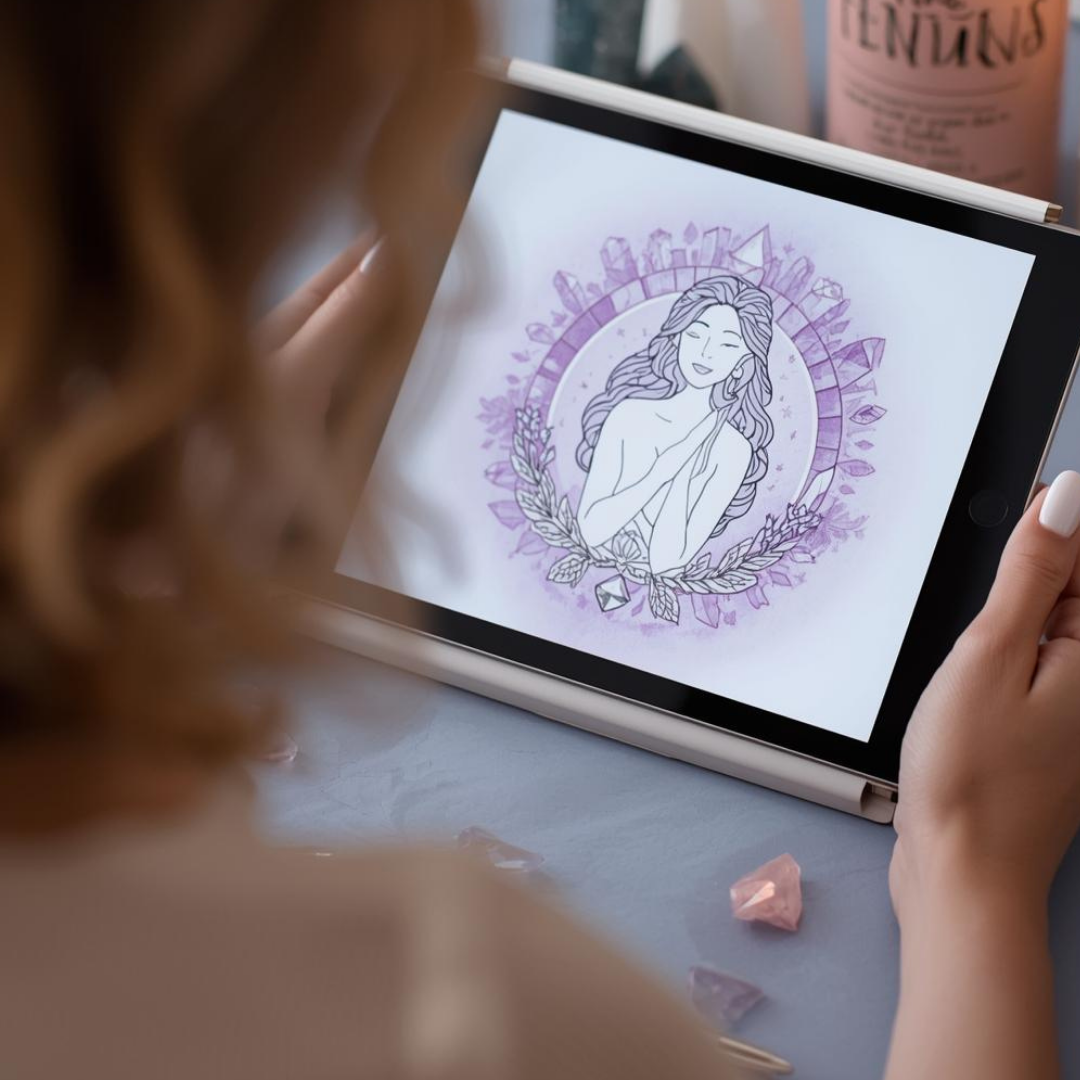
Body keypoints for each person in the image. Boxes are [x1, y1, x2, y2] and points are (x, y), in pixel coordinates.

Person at [1, 4, 1079, 1079]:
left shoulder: (738, 455)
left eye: (727, 338)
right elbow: (615, 515)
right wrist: (970, 873)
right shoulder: (458, 996)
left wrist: (133, 571)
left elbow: (683, 528)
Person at [576, 276, 774, 574]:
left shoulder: (733, 449)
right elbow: (591, 530)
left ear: (742, 363)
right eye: (696, 335)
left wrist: (683, 468)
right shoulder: (628, 416)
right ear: (678, 336)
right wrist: (660, 472)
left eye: (728, 344)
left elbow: (666, 561)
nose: (707, 352)